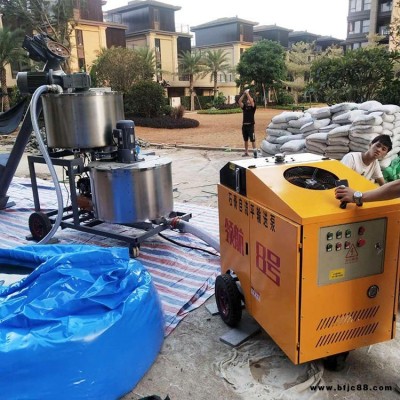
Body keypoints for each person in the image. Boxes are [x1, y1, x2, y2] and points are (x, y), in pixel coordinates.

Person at [238, 88, 257, 158]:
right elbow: (239, 101)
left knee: (253, 140)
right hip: (244, 126)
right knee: (245, 140)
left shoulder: (253, 107)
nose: (248, 99)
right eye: (248, 99)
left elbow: (252, 102)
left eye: (250, 99)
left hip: (251, 126)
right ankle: (246, 152)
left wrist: (247, 93)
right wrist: (244, 94)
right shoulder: (245, 107)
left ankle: (255, 153)